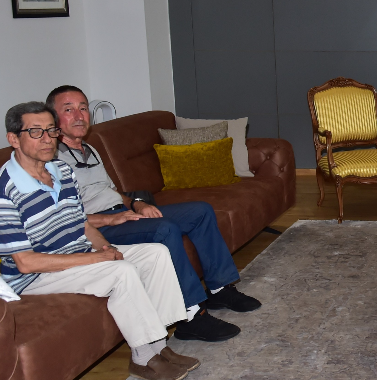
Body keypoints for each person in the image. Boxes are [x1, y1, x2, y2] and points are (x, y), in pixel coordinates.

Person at [0, 102, 199, 380]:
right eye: (36, 132)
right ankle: (143, 358)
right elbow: (25, 263)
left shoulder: (62, 170)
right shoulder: (1, 191)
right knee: (121, 272)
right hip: (35, 276)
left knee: (155, 253)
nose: (47, 139)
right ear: (13, 139)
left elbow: (82, 224)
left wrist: (106, 248)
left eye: (51, 130)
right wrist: (98, 258)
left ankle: (158, 346)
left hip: (76, 254)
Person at [47, 85, 261, 343]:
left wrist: (135, 204)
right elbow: (62, 217)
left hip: (121, 213)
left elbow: (112, 192)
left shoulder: (89, 149)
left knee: (201, 211)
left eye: (83, 108)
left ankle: (219, 289)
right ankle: (190, 316)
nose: (79, 115)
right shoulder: (49, 161)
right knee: (165, 228)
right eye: (68, 110)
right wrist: (111, 219)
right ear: (53, 119)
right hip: (97, 228)